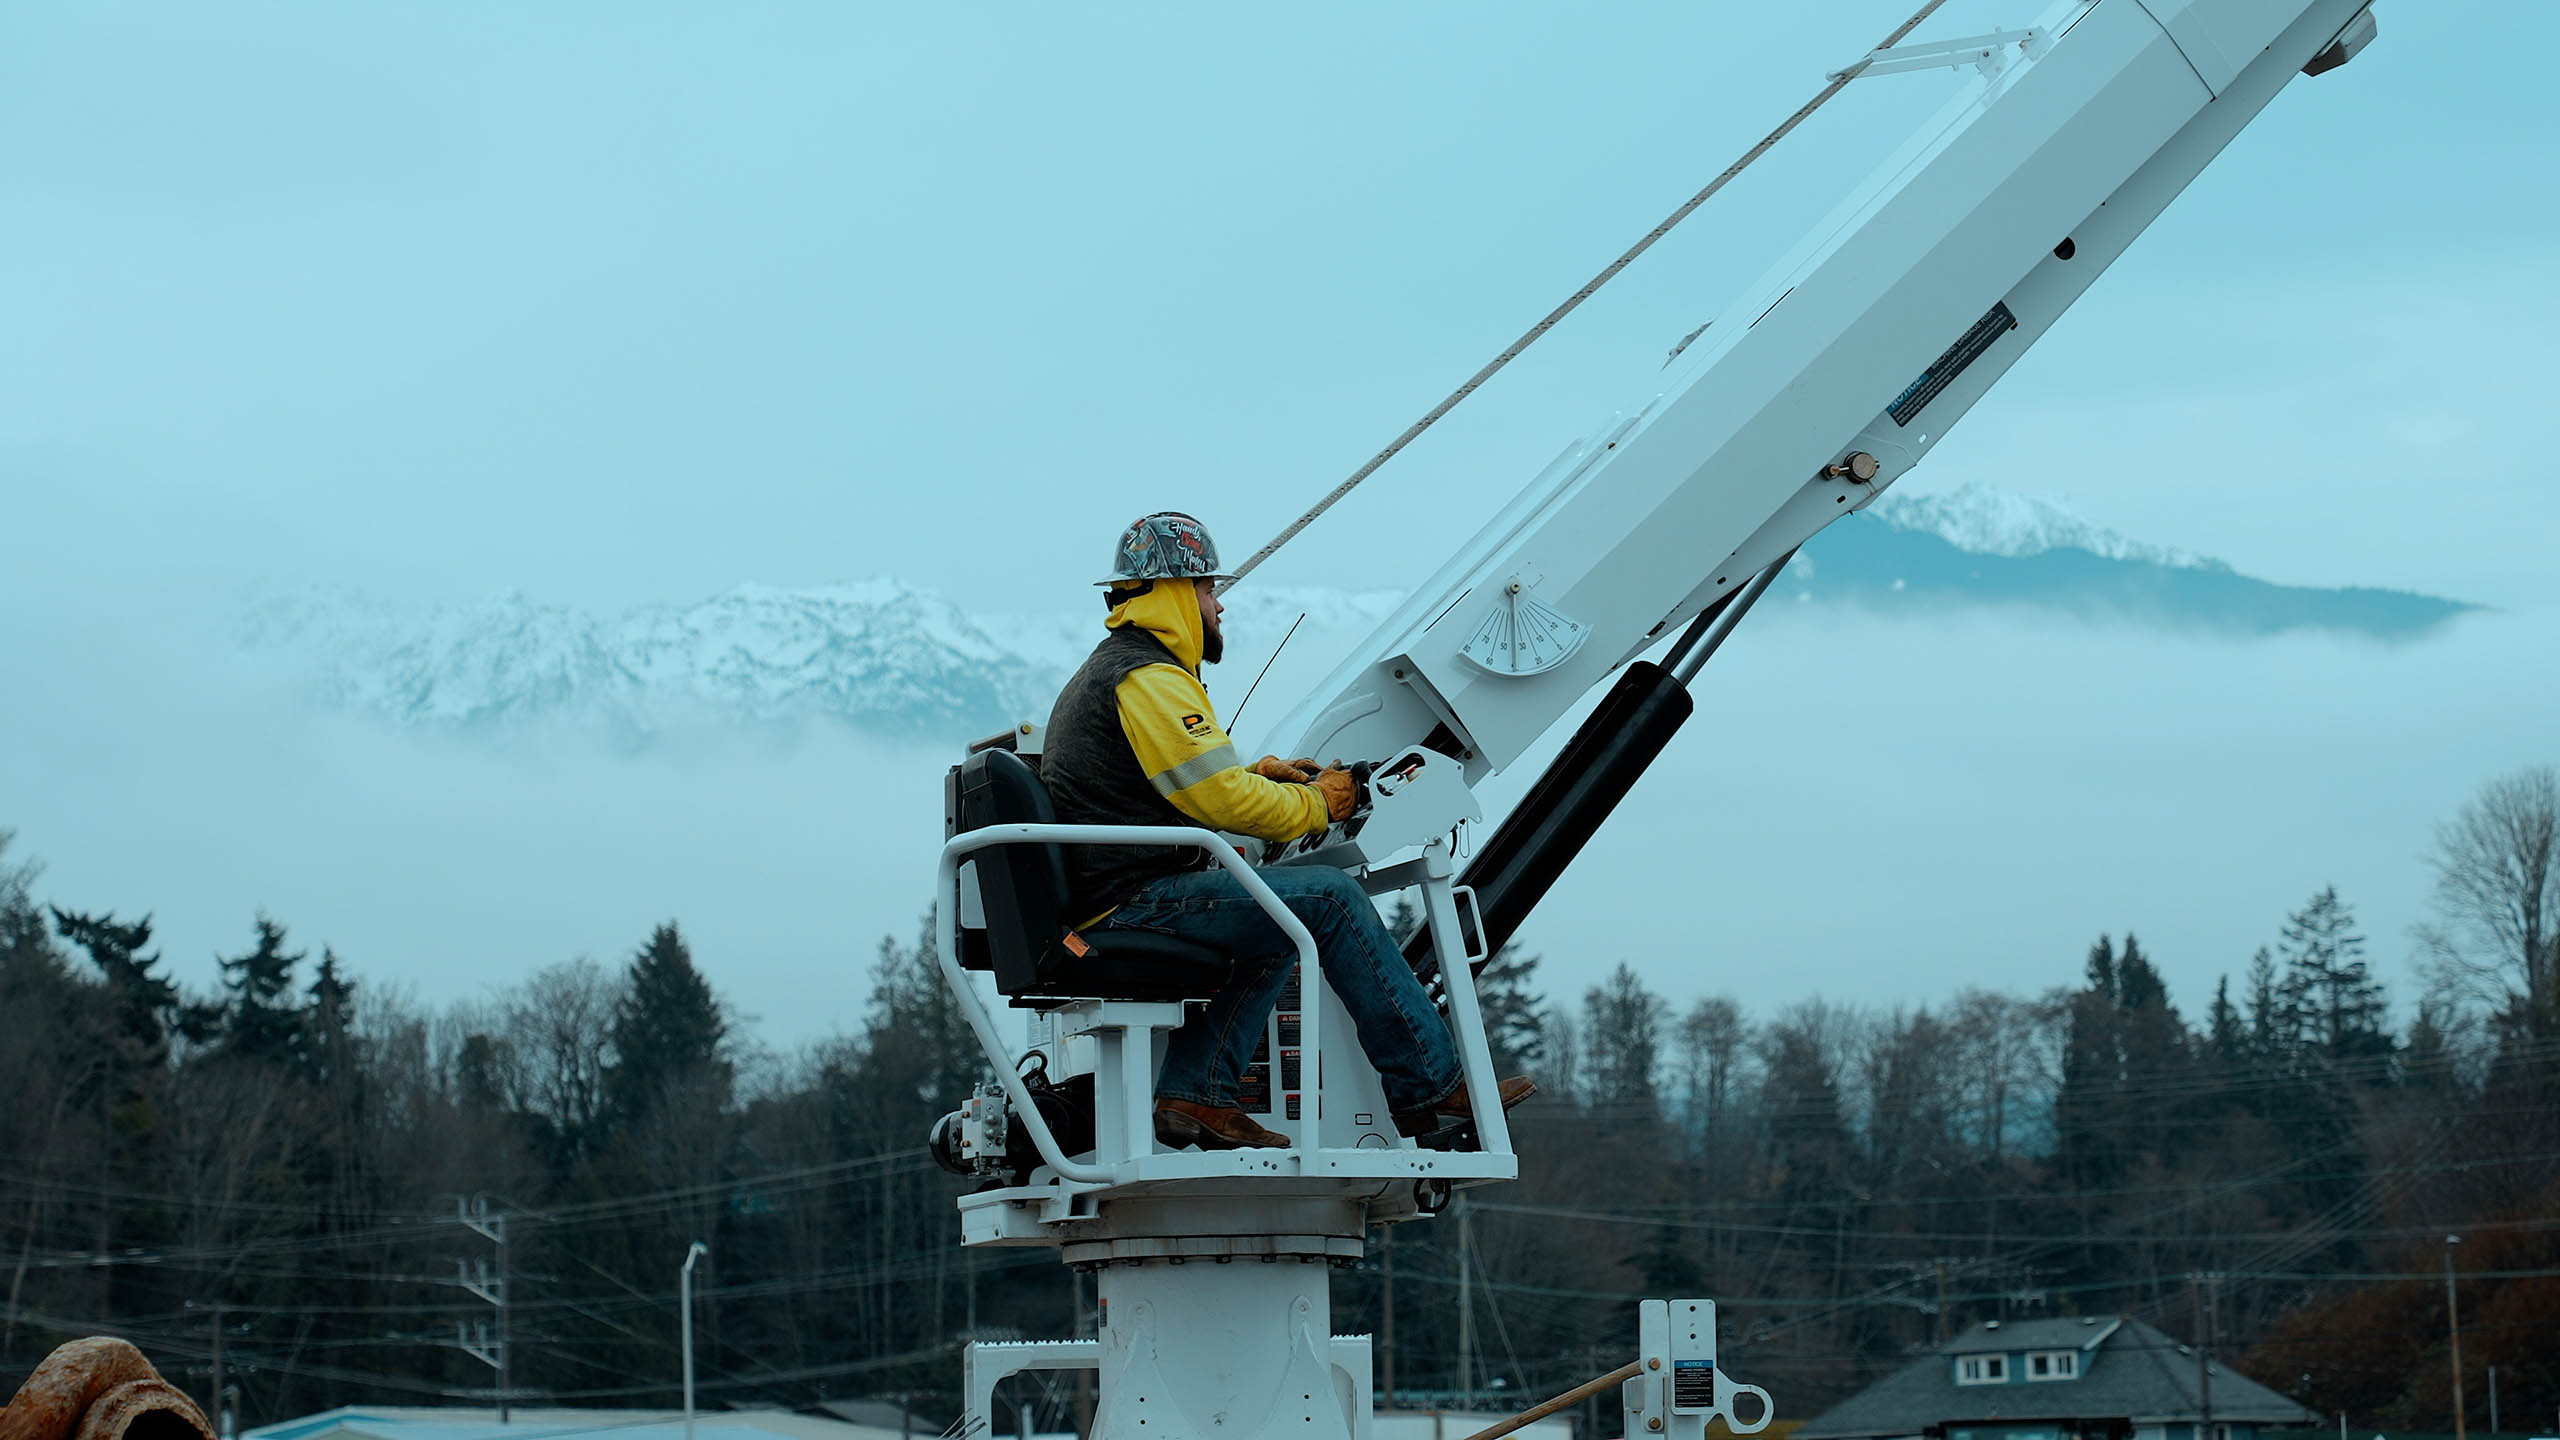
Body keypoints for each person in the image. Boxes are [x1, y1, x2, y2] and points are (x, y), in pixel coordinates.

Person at [1038, 511, 1533, 1150]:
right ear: (1177, 591)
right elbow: (1220, 799)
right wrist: (1325, 801)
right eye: (1211, 590)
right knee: (1330, 898)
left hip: (1110, 896)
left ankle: (1196, 1094)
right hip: (1127, 902)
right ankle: (1431, 1089)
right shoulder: (1149, 678)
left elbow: (1178, 785)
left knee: (1276, 927)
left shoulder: (1119, 671)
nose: (1220, 607)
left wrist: (1266, 777)